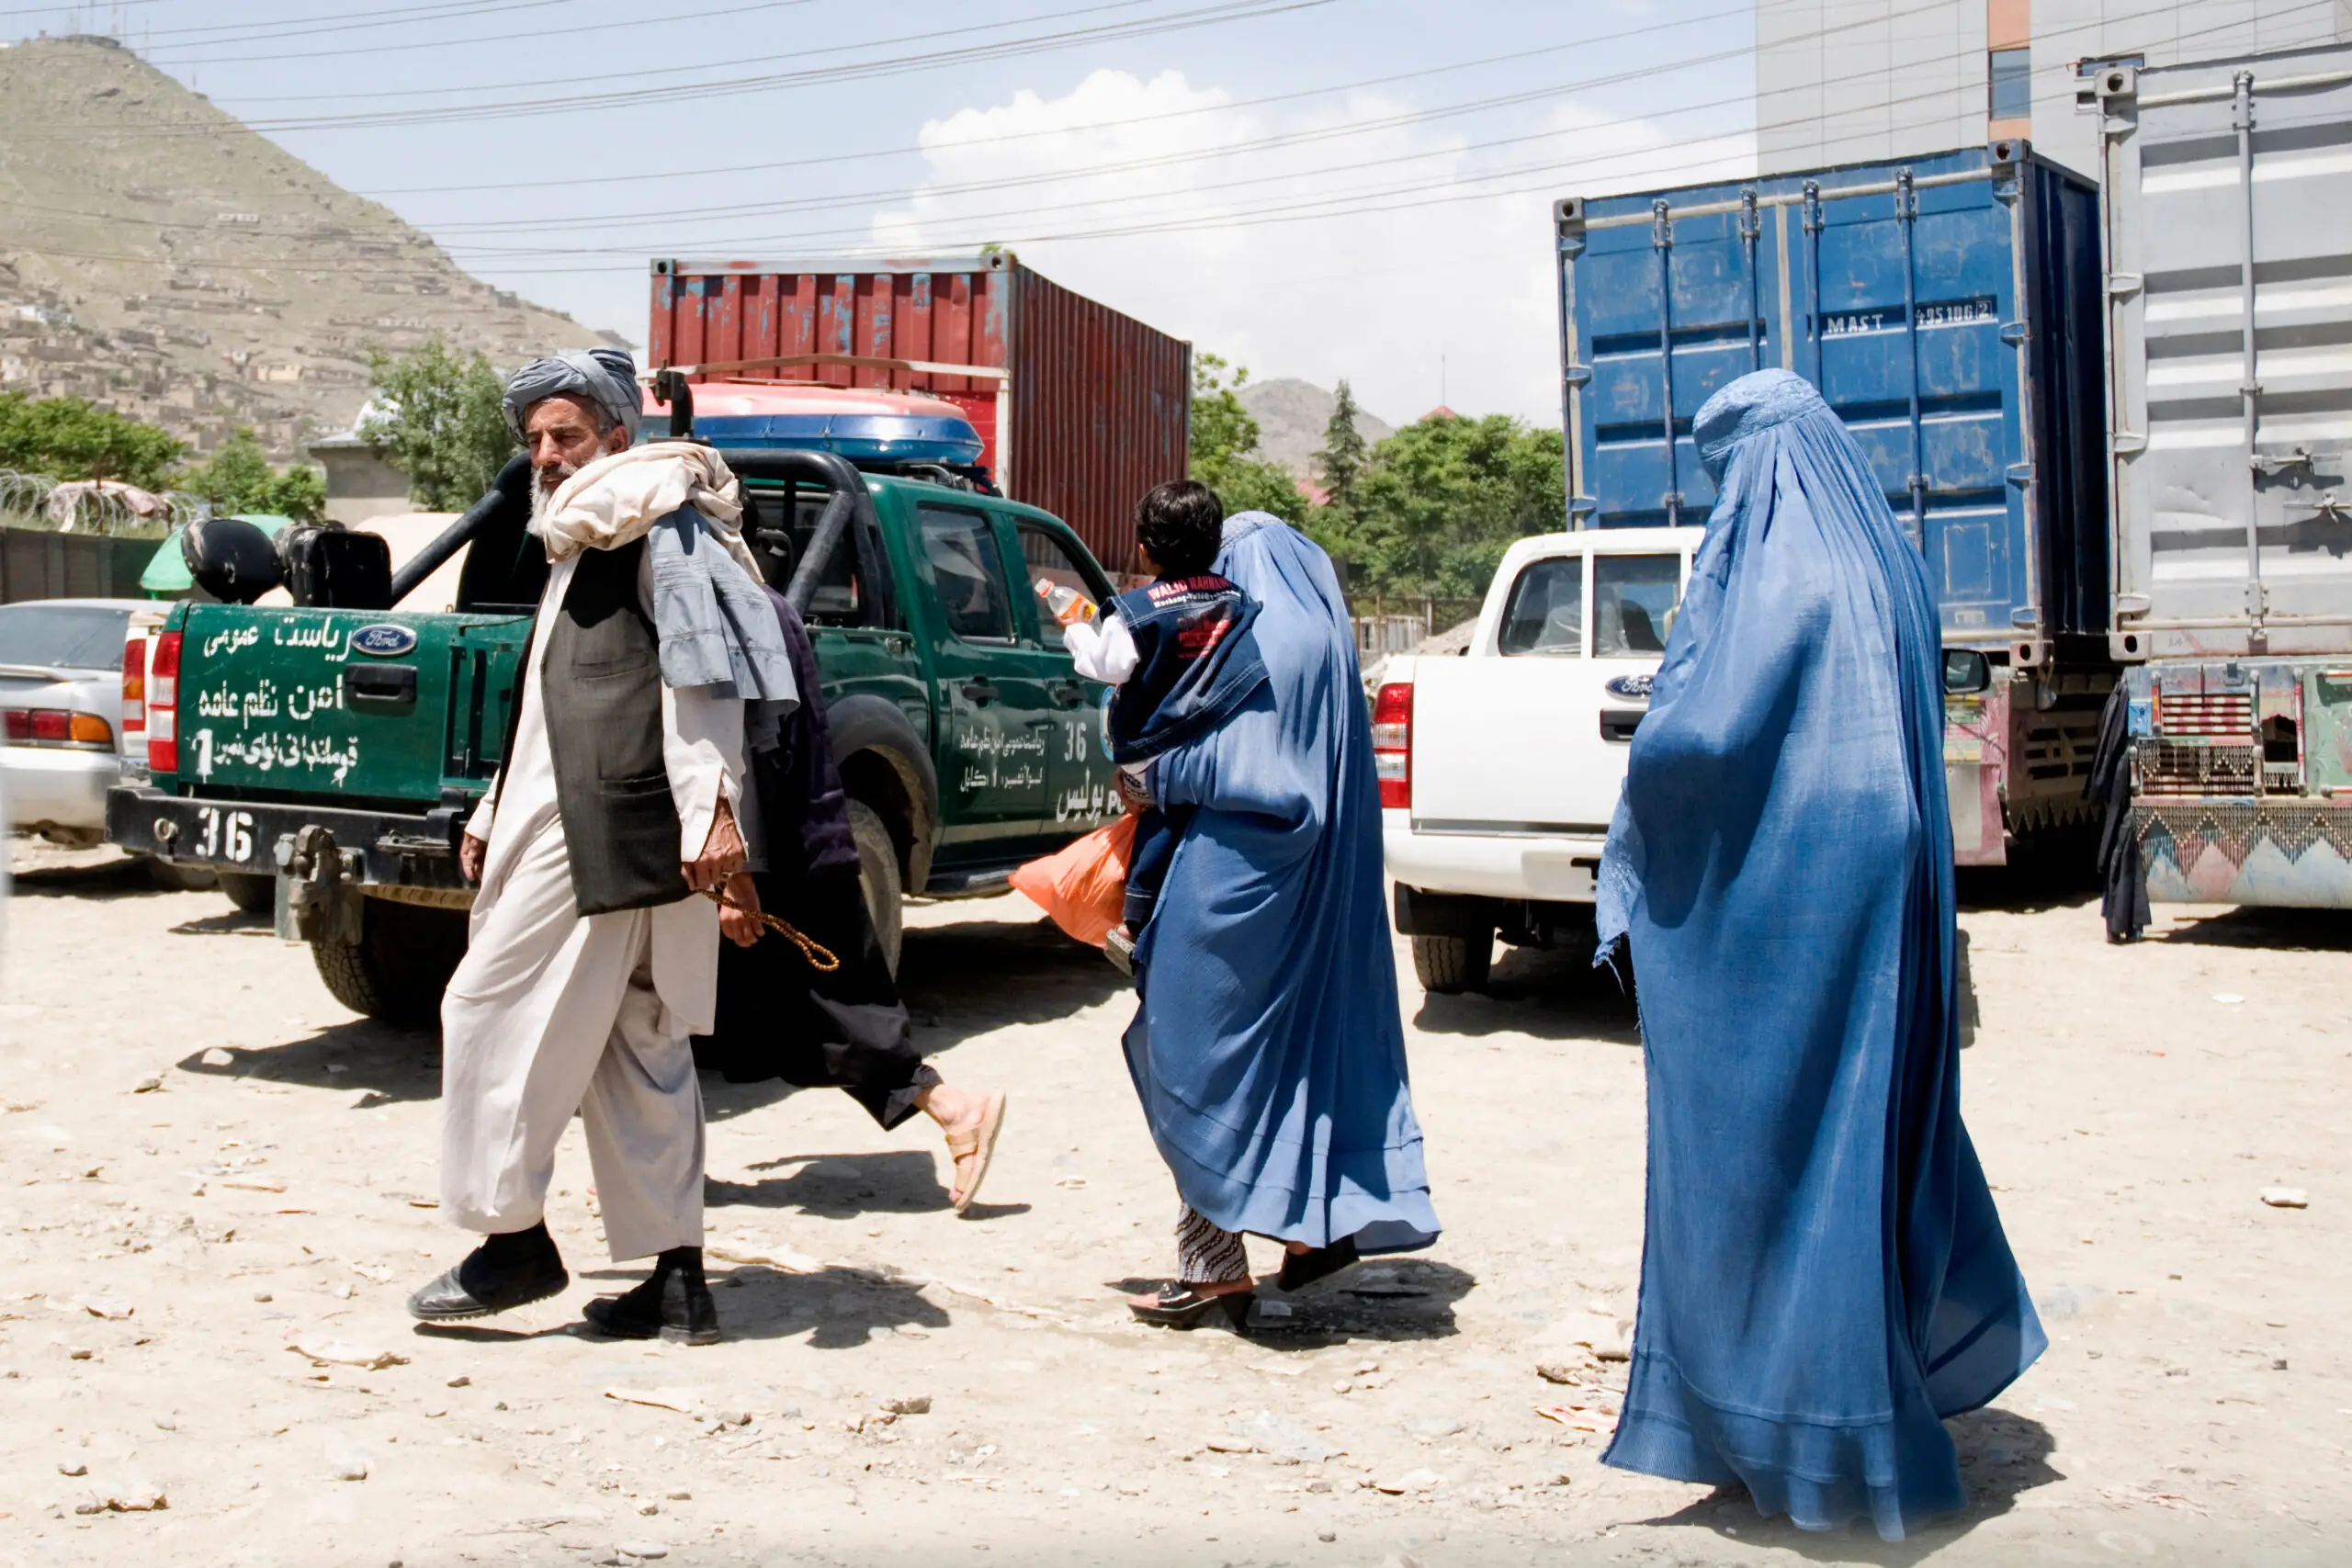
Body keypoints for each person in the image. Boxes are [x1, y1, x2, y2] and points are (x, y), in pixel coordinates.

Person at [1593, 369, 2043, 1540]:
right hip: (1886, 871)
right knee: (1866, 1133)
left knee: (1766, 1150)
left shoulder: (1777, 569)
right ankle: (1853, 1386)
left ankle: (1796, 1422)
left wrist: (1651, 756)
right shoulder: (1881, 556)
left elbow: (1708, 730)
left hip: (1796, 885)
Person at [407, 347, 797, 1346]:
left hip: (610, 824)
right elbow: (554, 691)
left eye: (566, 435)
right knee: (637, 1044)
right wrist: (495, 808)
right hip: (595, 815)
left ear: (618, 436)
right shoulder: (589, 525)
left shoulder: (656, 522)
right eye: (535, 438)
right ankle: (676, 1279)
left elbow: (701, 678)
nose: (544, 454)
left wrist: (713, 811)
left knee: (486, 1007)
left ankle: (512, 1239)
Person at [1115, 511, 1440, 1327]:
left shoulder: (1266, 637)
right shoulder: (1325, 634)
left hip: (1239, 873)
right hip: (1312, 882)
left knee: (1191, 1051)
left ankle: (1216, 1264)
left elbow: (1257, 767)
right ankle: (1309, 1236)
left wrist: (1156, 771)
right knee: (1289, 1056)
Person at [695, 580, 1007, 1210]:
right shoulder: (758, 605)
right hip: (796, 841)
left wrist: (739, 874)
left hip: (778, 850)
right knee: (778, 1007)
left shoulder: (739, 611)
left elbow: (753, 746)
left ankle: (954, 1105)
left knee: (834, 1004)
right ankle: (662, 1165)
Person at [1054, 480, 1265, 952]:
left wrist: (1075, 633)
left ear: (1145, 550)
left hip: (1156, 748)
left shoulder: (1136, 611)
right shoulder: (1236, 599)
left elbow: (1106, 666)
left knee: (1156, 815)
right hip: (1218, 738)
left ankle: (1135, 917)